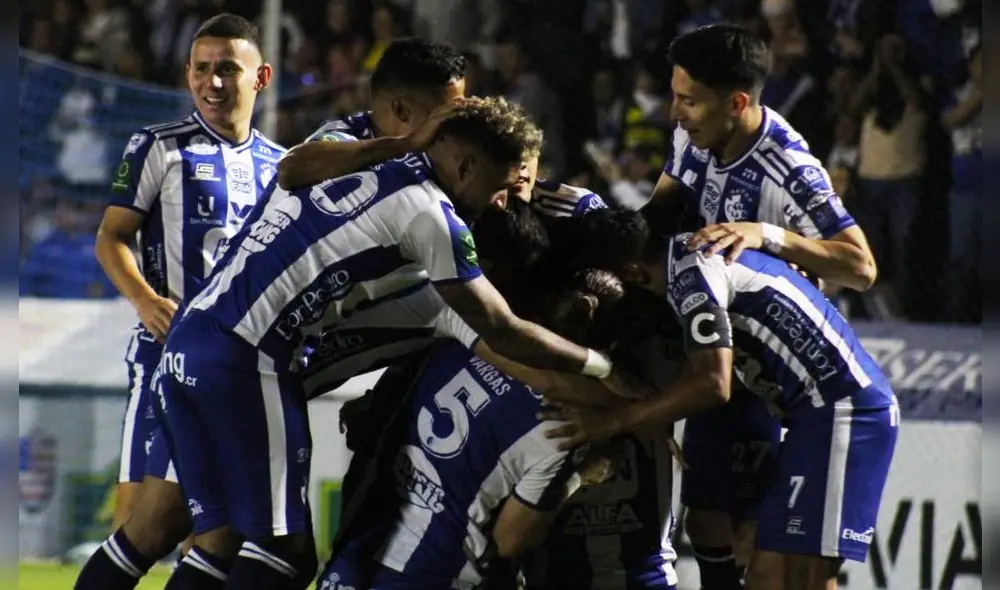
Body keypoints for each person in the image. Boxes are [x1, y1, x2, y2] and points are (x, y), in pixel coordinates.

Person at [156, 97, 631, 590]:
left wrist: (403, 143)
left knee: (217, 543)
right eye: (499, 187)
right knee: (282, 552)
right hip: (250, 359)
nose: (502, 201)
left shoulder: (373, 157)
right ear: (466, 166)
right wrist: (602, 368)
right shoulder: (435, 221)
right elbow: (502, 328)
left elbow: (291, 168)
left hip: (189, 337)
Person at [540, 208, 899, 590]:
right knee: (765, 576)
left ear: (632, 274)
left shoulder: (691, 274)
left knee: (805, 577)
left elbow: (713, 383)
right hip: (810, 419)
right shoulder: (684, 257)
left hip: (845, 411)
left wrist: (612, 422)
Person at [642, 24, 877, 588]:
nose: (675, 112)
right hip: (714, 346)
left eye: (688, 100)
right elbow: (660, 213)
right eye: (675, 94)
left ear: (738, 102)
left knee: (767, 550)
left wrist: (770, 235)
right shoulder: (694, 135)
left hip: (773, 380)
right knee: (705, 524)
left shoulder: (790, 168)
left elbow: (861, 267)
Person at [77, 13, 284, 590]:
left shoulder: (281, 167)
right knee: (141, 526)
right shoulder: (158, 148)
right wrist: (145, 301)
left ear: (260, 77)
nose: (213, 83)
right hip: (165, 363)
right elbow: (110, 236)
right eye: (201, 70)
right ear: (187, 75)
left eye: (227, 70)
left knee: (215, 537)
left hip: (239, 373)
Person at [318, 268, 633, 590]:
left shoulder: (460, 341)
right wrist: (581, 477)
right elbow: (511, 540)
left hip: (358, 552)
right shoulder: (563, 426)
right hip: (435, 573)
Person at [277, 37, 467, 191]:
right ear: (401, 110)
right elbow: (290, 169)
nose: (452, 119)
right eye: (443, 113)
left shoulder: (440, 154)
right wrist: (406, 143)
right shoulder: (346, 134)